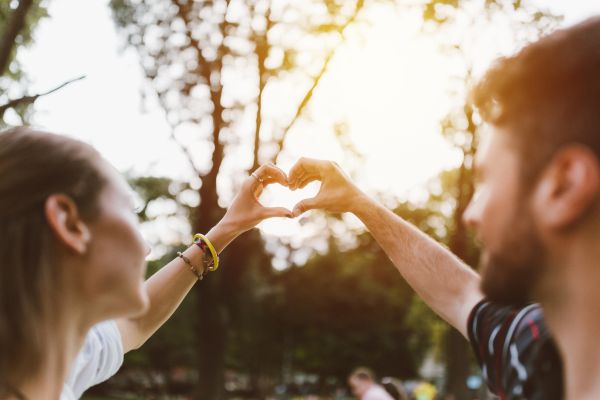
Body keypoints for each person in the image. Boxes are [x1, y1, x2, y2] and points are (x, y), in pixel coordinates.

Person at [287, 16, 600, 400]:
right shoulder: (532, 350)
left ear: (565, 185)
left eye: (486, 181)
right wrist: (359, 203)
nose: (472, 213)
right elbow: (459, 293)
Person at [0, 127, 293, 399]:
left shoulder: (47, 358)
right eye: (130, 211)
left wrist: (227, 227)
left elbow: (136, 321)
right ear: (69, 222)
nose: (146, 247)